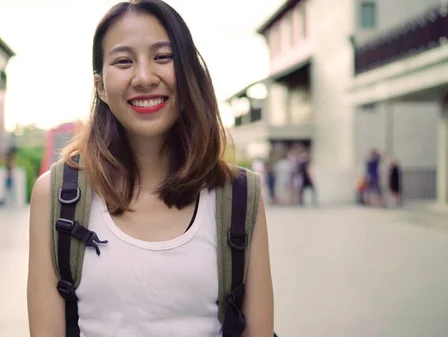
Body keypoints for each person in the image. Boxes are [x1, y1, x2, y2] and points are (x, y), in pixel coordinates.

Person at [27, 1, 274, 337]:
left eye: (163, 57)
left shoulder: (240, 197)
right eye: (124, 61)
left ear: (189, 73)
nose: (144, 78)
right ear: (100, 86)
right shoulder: (54, 195)